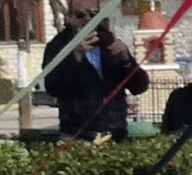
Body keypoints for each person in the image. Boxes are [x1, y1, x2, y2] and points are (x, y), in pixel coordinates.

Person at [44, 10, 139, 143]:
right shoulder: (58, 46)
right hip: (78, 136)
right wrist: (76, 57)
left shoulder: (109, 42)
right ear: (70, 18)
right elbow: (53, 87)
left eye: (93, 15)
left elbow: (139, 86)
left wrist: (127, 59)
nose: (88, 19)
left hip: (115, 135)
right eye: (80, 15)